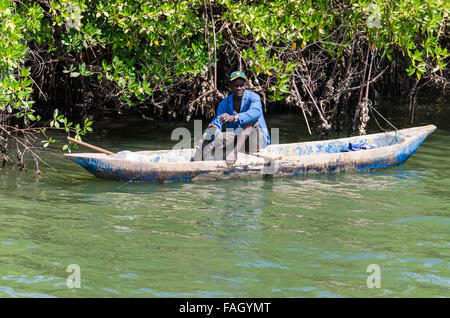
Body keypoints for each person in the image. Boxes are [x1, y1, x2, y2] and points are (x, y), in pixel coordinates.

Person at [194, 71, 270, 162]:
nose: (239, 88)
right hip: (238, 139)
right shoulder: (224, 104)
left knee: (253, 121)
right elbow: (217, 123)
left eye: (241, 85)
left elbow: (256, 112)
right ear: (230, 85)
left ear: (245, 85)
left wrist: (235, 117)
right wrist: (208, 135)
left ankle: (234, 153)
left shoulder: (254, 97)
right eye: (235, 85)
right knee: (213, 136)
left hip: (257, 143)